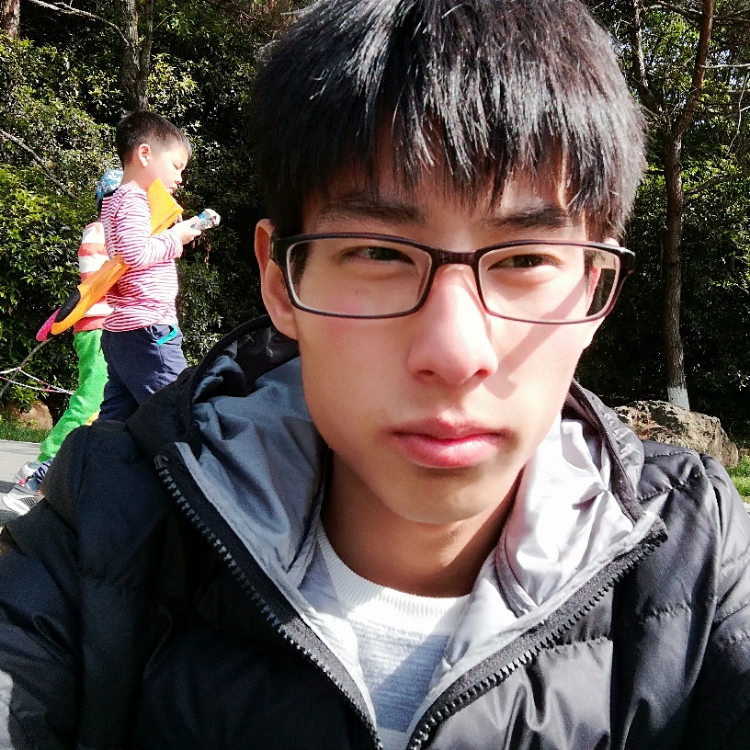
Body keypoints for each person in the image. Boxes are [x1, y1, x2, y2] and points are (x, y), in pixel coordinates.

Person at [0, 1, 749, 749]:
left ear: (592, 289)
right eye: (379, 253)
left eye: (525, 259)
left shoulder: (695, 556)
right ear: (280, 281)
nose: (454, 352)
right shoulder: (109, 527)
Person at [0, 169, 123, 520]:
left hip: (115, 329)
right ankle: (38, 471)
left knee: (114, 408)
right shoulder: (99, 232)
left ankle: (81, 485)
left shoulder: (116, 232)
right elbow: (102, 280)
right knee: (92, 401)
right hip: (99, 327)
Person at [96, 110, 201, 422]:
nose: (180, 177)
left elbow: (137, 252)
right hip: (148, 329)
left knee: (115, 424)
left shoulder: (117, 200)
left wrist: (171, 231)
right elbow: (136, 254)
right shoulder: (133, 199)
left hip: (125, 332)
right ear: (145, 154)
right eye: (176, 166)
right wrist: (176, 238)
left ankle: (78, 455)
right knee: (178, 414)